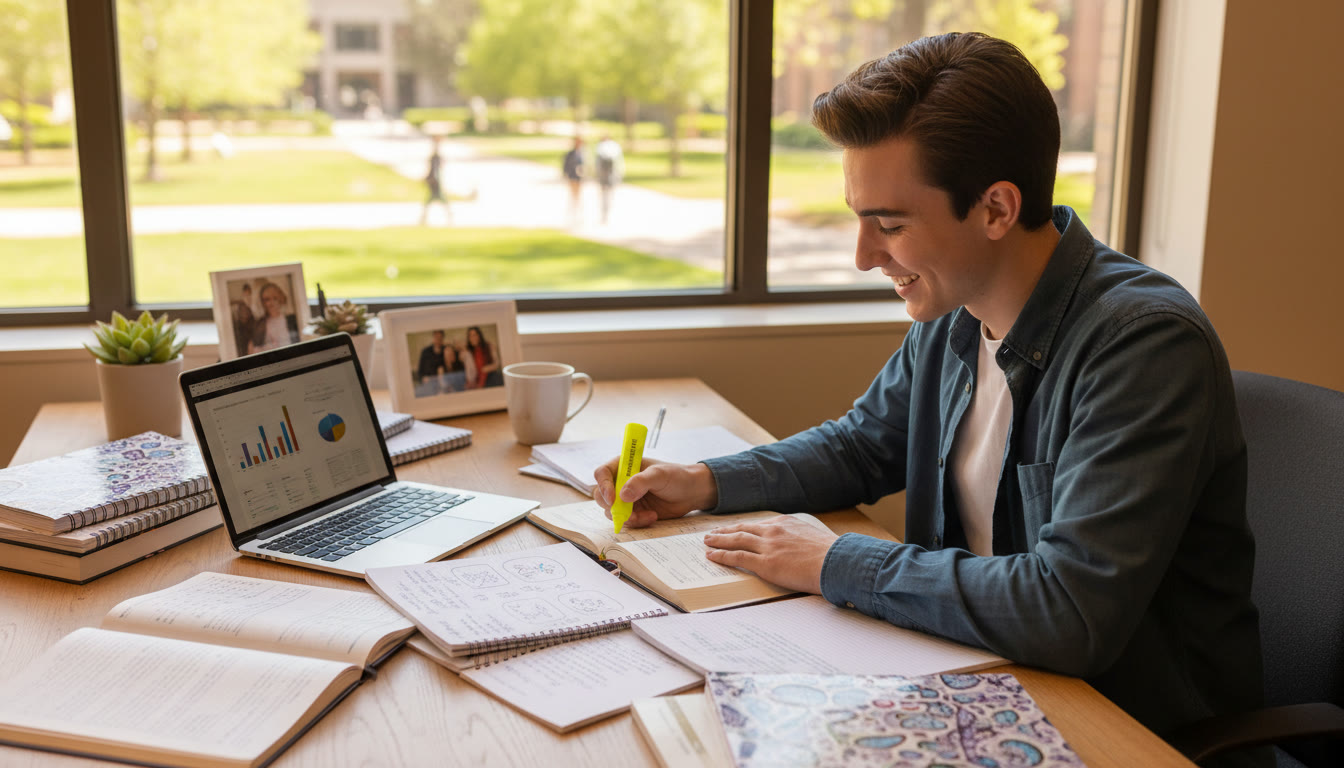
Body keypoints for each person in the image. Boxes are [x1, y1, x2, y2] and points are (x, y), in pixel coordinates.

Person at [592, 32, 1264, 766]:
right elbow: (860, 445)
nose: (863, 256)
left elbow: (1067, 610)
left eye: (889, 225)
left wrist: (834, 561)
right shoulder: (956, 312)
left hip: (1124, 728)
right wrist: (708, 481)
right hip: (977, 683)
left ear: (997, 209)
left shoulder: (1143, 345)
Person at [247, 281, 300, 354]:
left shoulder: (291, 319)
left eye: (275, 298)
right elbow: (252, 348)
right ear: (262, 302)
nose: (271, 303)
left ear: (281, 299)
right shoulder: (260, 324)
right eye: (267, 300)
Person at [593, 134, 624, 224]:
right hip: (612, 176)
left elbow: (597, 165)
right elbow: (619, 163)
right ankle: (607, 213)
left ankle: (604, 214)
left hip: (603, 177)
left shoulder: (600, 148)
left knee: (604, 195)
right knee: (609, 195)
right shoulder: (614, 147)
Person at [420, 136, 449, 226]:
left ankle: (449, 217)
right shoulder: (434, 158)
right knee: (430, 201)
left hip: (436, 183)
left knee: (438, 200)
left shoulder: (436, 158)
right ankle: (423, 218)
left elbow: (436, 170)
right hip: (435, 182)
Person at [417, 330, 449, 394]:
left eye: (440, 338)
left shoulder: (446, 350)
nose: (438, 340)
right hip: (429, 385)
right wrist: (423, 379)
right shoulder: (426, 352)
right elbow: (420, 371)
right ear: (433, 337)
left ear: (443, 338)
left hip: (444, 384)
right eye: (436, 337)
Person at [562, 137, 585, 225]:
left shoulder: (582, 153)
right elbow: (566, 165)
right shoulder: (571, 154)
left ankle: (578, 215)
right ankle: (572, 214)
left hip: (579, 178)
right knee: (572, 196)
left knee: (578, 197)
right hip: (572, 176)